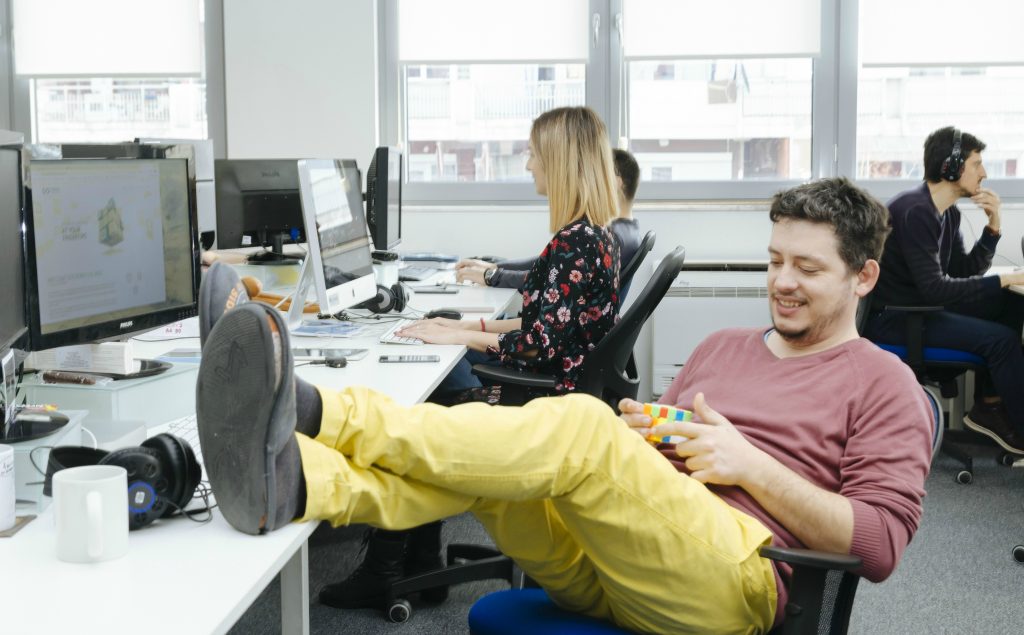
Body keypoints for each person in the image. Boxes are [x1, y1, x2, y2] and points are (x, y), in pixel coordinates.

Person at [194, 177, 933, 632]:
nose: (782, 281)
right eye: (775, 261)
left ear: (864, 277)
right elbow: (639, 466)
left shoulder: (884, 383)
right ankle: (300, 483)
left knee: (577, 422)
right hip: (617, 561)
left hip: (731, 586)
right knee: (498, 444)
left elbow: (876, 547)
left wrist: (751, 464)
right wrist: (644, 438)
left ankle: (316, 409)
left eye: (807, 267)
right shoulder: (723, 347)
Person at [396, 106, 621, 403]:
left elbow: (540, 344)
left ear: (558, 163)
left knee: (424, 382)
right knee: (445, 352)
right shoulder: (599, 234)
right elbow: (544, 326)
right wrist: (463, 326)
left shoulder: (576, 242)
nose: (529, 166)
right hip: (561, 388)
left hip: (548, 398)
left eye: (533, 155)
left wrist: (458, 336)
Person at [864, 126, 1024, 454]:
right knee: (1003, 340)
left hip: (922, 309)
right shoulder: (915, 211)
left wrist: (993, 227)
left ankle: (989, 406)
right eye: (977, 164)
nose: (984, 173)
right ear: (950, 167)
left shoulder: (944, 213)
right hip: (898, 319)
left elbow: (963, 271)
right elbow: (937, 289)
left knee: (1010, 305)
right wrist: (1005, 279)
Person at [455, 148, 643, 300]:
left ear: (615, 183)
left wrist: (492, 275)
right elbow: (549, 265)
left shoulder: (609, 238)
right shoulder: (626, 231)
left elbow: (551, 280)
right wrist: (495, 267)